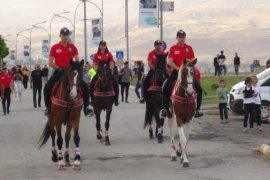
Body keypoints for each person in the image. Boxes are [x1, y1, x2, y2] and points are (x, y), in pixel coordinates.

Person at [43, 27, 90, 116]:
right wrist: (58, 68)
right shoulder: (55, 47)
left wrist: (78, 66)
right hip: (59, 71)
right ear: (60, 35)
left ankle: (86, 108)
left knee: (85, 87)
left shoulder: (72, 47)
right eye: (63, 35)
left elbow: (76, 59)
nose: (65, 37)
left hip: (70, 72)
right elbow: (50, 62)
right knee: (47, 87)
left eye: (66, 35)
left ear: (68, 36)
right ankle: (48, 108)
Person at [160, 30, 196, 117]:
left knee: (198, 87)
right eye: (180, 37)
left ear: (185, 38)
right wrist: (179, 68)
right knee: (165, 86)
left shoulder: (189, 48)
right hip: (176, 72)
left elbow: (193, 59)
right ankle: (165, 109)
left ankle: (197, 109)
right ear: (177, 38)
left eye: (183, 37)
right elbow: (169, 62)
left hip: (187, 73)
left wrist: (190, 62)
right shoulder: (173, 48)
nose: (181, 39)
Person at [90, 40, 119, 106]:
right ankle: (92, 100)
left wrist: (110, 68)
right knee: (91, 84)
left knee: (115, 83)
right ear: (99, 46)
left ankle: (116, 99)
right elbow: (94, 64)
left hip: (108, 73)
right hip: (99, 74)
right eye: (101, 45)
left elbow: (111, 63)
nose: (103, 46)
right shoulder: (96, 55)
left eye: (104, 45)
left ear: (106, 46)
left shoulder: (109, 54)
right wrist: (97, 69)